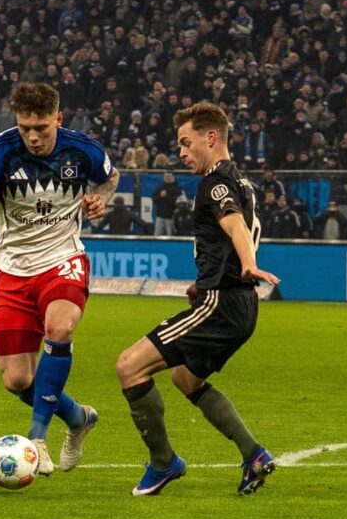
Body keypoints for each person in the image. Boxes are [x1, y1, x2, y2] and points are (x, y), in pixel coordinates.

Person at [0, 82, 119, 476]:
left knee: (59, 328)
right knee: (16, 379)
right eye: (26, 126)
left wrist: (102, 199)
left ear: (58, 119)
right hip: (12, 270)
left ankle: (37, 438)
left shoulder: (84, 150)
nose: (33, 136)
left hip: (63, 260)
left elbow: (111, 177)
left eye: (41, 127)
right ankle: (78, 418)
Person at [114, 102, 280, 497]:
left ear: (211, 137)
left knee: (129, 367)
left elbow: (233, 223)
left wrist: (248, 263)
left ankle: (163, 464)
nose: (182, 153)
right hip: (238, 304)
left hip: (220, 302)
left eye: (186, 143)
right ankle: (253, 454)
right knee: (185, 377)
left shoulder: (215, 183)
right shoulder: (243, 181)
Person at [151, 171, 183, 236]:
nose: (167, 178)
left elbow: (176, 202)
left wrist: (166, 196)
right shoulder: (160, 187)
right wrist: (160, 196)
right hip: (160, 217)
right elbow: (154, 199)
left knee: (170, 236)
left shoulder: (177, 188)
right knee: (157, 236)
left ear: (173, 177)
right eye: (165, 176)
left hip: (171, 217)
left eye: (169, 176)